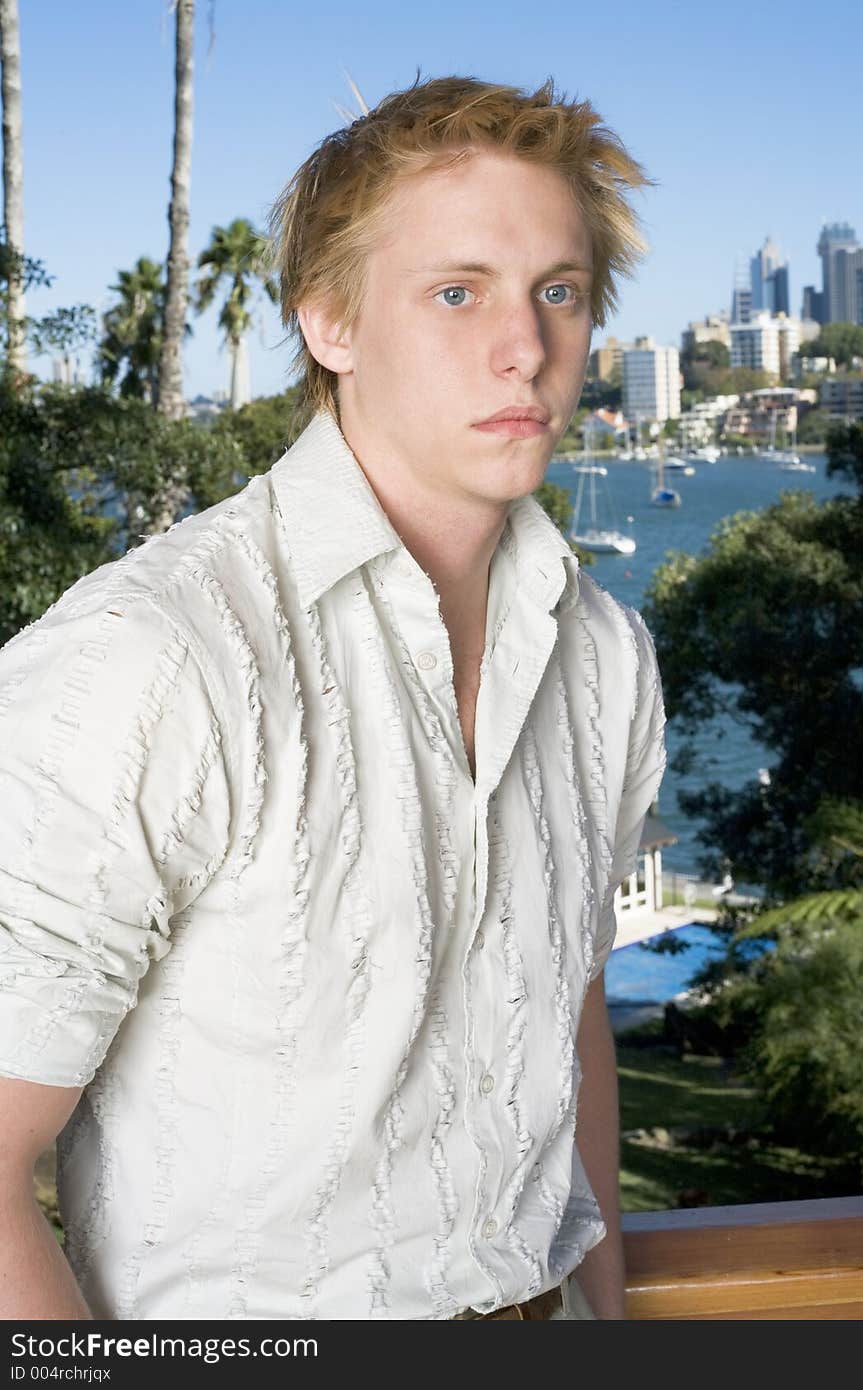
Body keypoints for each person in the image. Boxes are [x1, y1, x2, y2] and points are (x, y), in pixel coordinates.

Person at [0, 74, 666, 1321]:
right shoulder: (156, 655)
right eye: (456, 292)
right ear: (331, 325)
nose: (525, 345)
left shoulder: (606, 656)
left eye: (558, 292)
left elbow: (570, 1020)